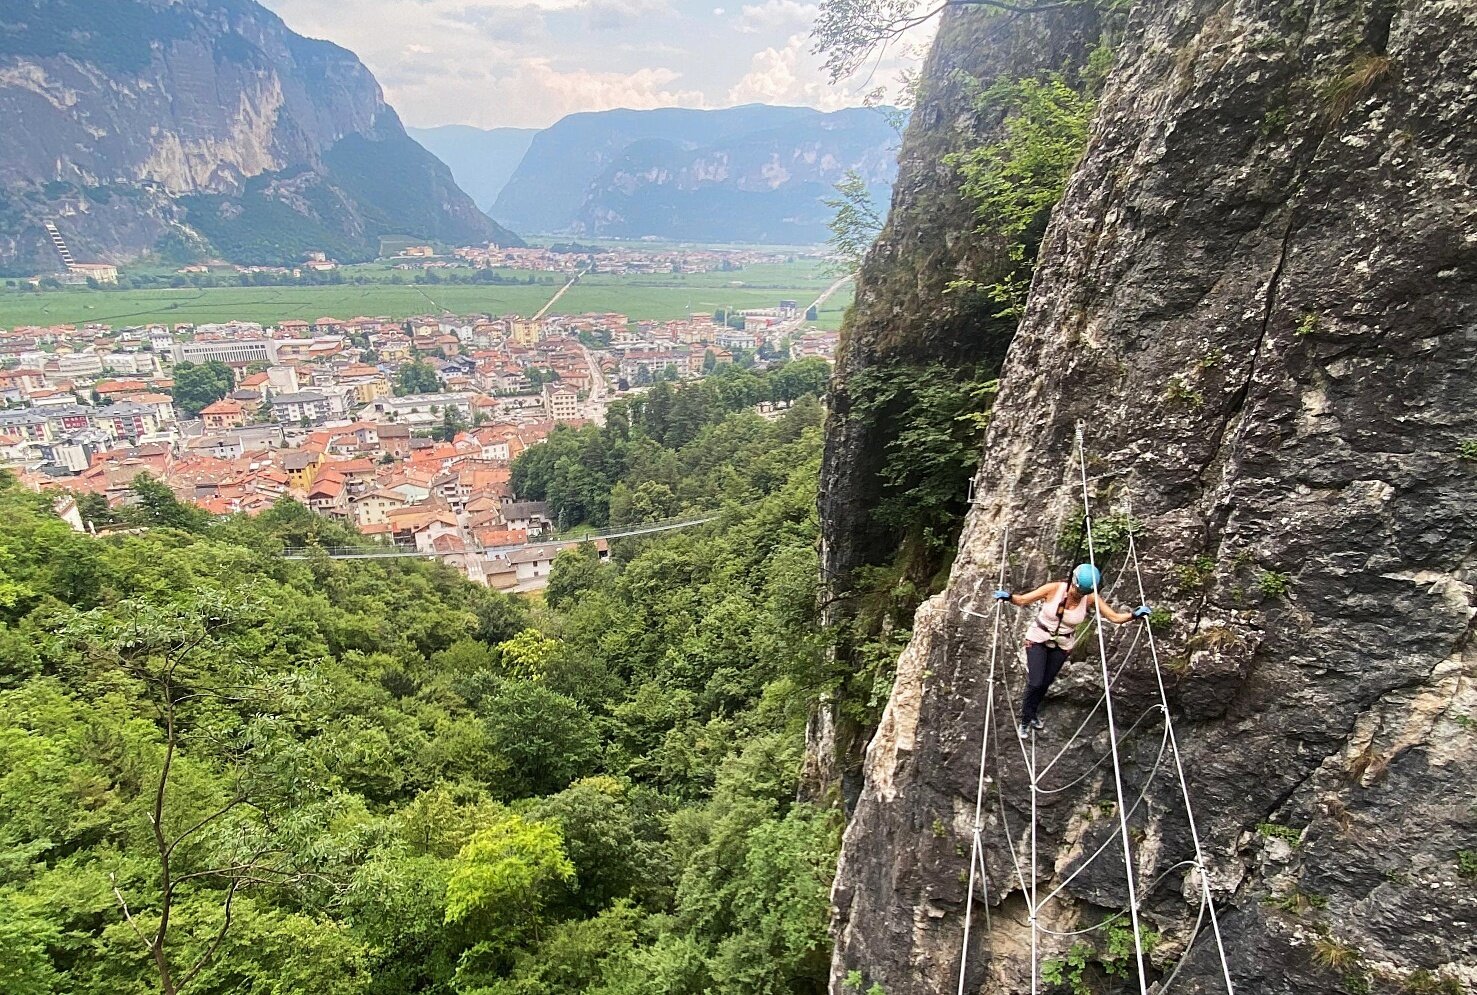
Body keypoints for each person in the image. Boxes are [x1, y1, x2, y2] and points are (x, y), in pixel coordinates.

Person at [994, 564, 1150, 738]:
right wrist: (1008, 597)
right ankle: (1025, 719)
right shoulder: (1053, 589)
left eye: (1083, 592)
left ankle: (1033, 712)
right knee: (1035, 682)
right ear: (1072, 581)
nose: (1079, 594)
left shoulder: (1090, 598)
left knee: (1045, 683)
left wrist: (1134, 615)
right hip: (1038, 638)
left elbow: (1113, 617)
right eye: (1077, 590)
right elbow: (1023, 600)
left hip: (1062, 644)